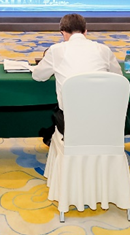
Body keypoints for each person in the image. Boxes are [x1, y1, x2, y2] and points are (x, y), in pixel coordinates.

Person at [32, 13, 122, 144]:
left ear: (63, 32)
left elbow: (38, 76)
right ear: (85, 32)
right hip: (104, 120)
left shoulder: (56, 50)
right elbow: (118, 78)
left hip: (70, 123)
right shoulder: (104, 49)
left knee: (58, 111)